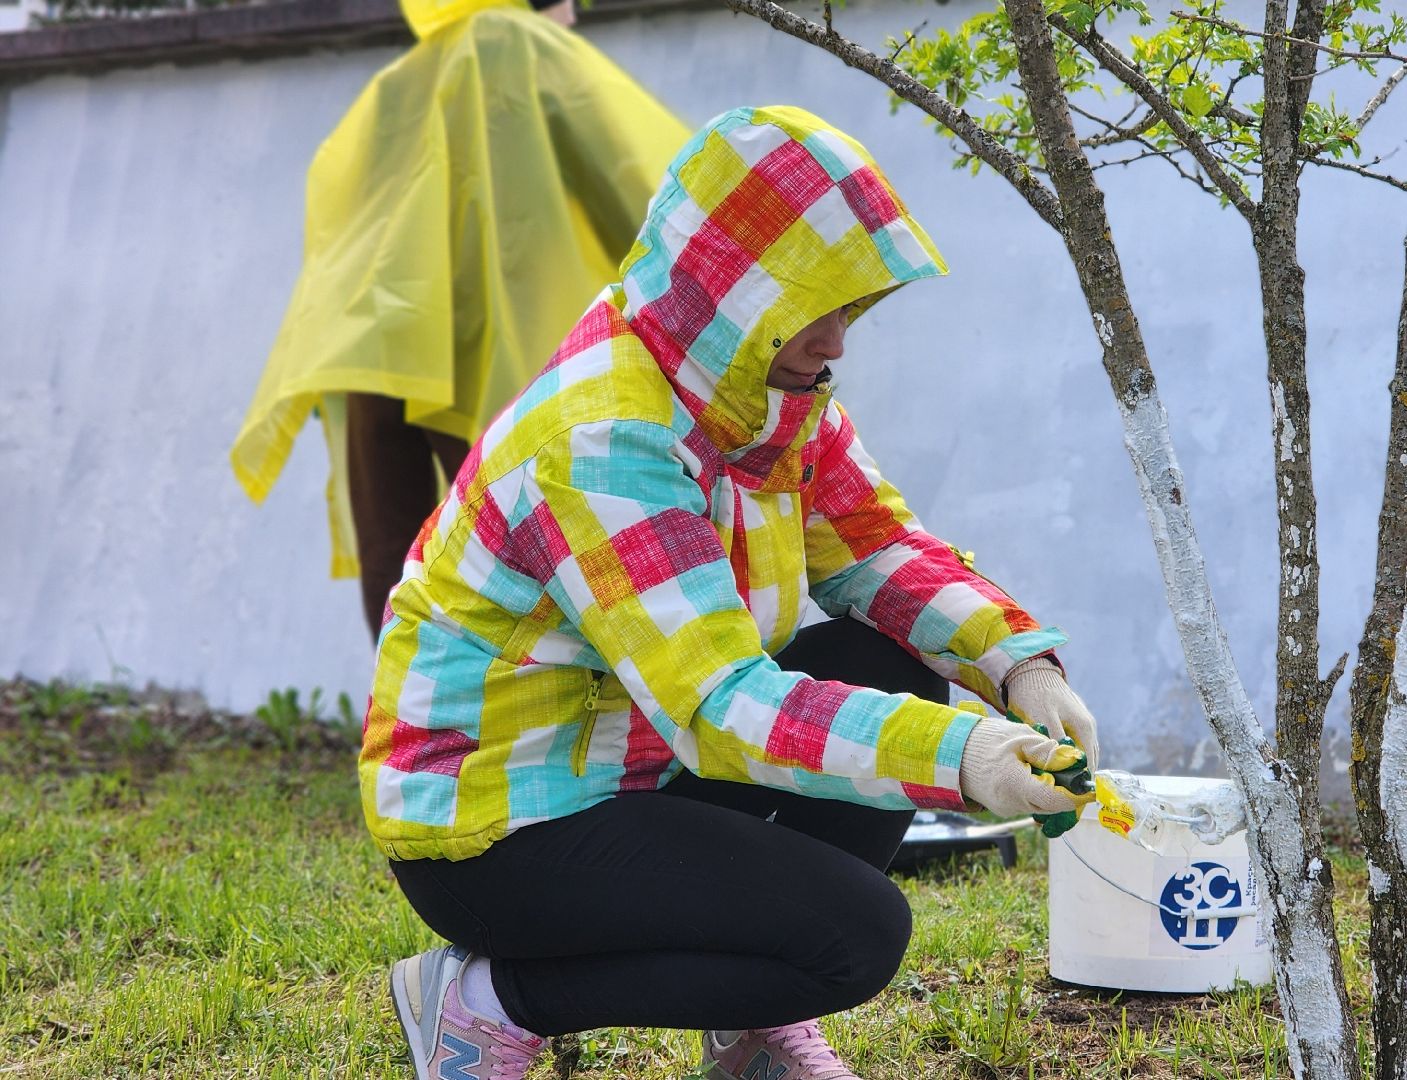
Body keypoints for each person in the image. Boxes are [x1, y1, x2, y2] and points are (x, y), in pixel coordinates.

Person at [361, 106, 1104, 1080]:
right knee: (852, 936)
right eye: (818, 309)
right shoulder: (605, 436)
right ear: (737, 292)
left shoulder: (760, 391)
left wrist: (1018, 668)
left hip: (631, 760)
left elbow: (874, 546)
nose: (838, 341)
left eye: (855, 308)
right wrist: (966, 756)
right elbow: (718, 710)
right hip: (491, 819)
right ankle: (486, 1000)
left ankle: (746, 1025)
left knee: (885, 655)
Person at [228, 0, 688, 637]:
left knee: (395, 556)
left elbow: (348, 208)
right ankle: (516, 725)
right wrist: (690, 281)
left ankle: (406, 727)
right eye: (567, 5)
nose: (574, 21)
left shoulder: (401, 79)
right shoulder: (527, 47)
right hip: (486, 346)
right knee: (518, 547)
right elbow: (629, 179)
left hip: (380, 347)